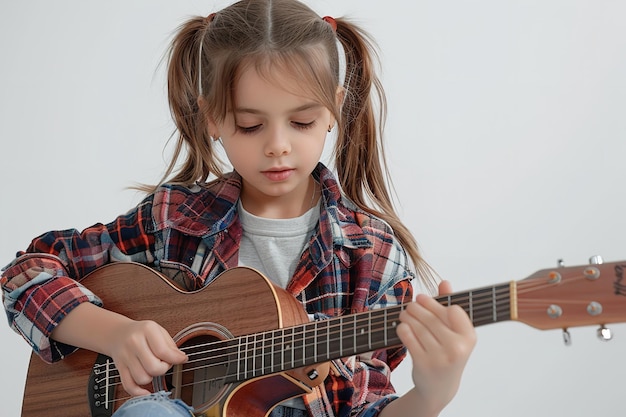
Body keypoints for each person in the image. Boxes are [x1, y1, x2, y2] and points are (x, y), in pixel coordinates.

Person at [0, 1, 476, 416]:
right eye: (250, 126)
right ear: (212, 118)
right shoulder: (173, 220)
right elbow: (24, 273)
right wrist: (115, 335)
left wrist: (433, 394)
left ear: (334, 110)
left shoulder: (371, 256)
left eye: (302, 121)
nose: (278, 146)